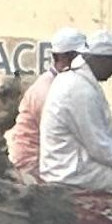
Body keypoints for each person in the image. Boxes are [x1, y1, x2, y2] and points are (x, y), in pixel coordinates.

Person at [37, 29, 112, 191]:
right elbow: (100, 148)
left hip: (75, 160)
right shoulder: (79, 90)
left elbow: (99, 133)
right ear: (102, 60)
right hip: (70, 171)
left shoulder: (78, 80)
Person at [9, 25, 82, 183]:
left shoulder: (64, 83)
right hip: (32, 164)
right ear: (65, 58)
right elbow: (67, 135)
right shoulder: (47, 90)